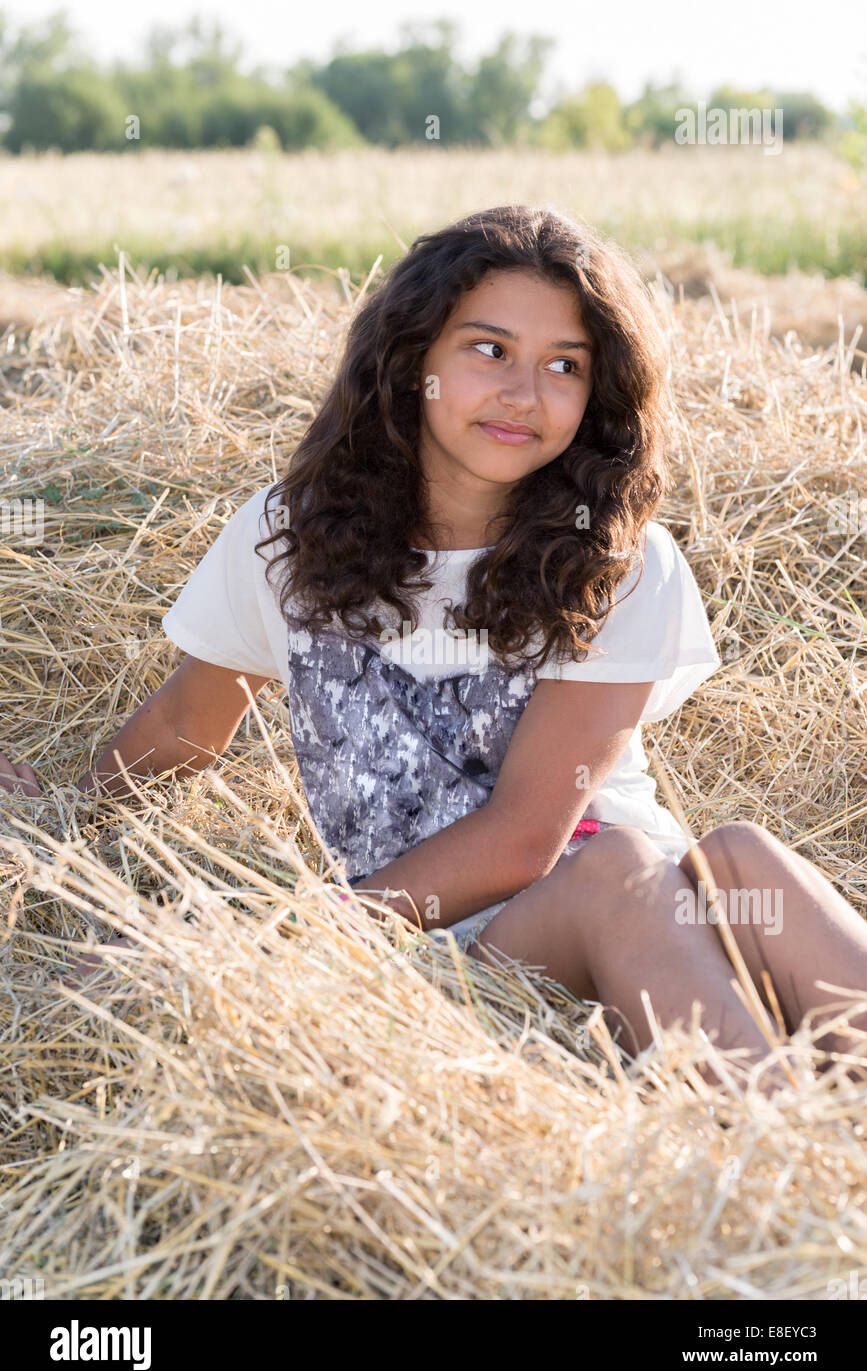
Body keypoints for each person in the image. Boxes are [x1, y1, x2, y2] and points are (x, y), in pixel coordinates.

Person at [3, 205, 866, 1089]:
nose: (523, 394)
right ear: (412, 358)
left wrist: (272, 942)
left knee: (738, 855)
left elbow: (528, 833)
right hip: (458, 938)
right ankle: (791, 1157)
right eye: (488, 350)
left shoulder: (613, 558)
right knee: (620, 872)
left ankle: (802, 1181)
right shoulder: (288, 538)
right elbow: (190, 718)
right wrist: (63, 816)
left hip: (615, 891)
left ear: (595, 397)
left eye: (563, 367)